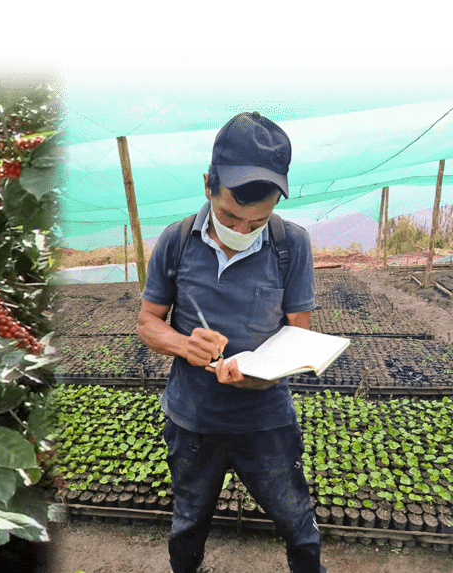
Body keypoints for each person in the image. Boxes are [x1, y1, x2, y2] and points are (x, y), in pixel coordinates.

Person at [136, 112, 322, 573]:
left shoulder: (291, 245)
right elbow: (147, 322)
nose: (241, 231)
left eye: (257, 220)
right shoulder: (175, 242)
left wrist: (263, 371)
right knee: (188, 521)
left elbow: (297, 332)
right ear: (207, 185)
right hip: (194, 418)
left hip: (266, 420)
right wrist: (183, 345)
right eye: (229, 216)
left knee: (297, 520)